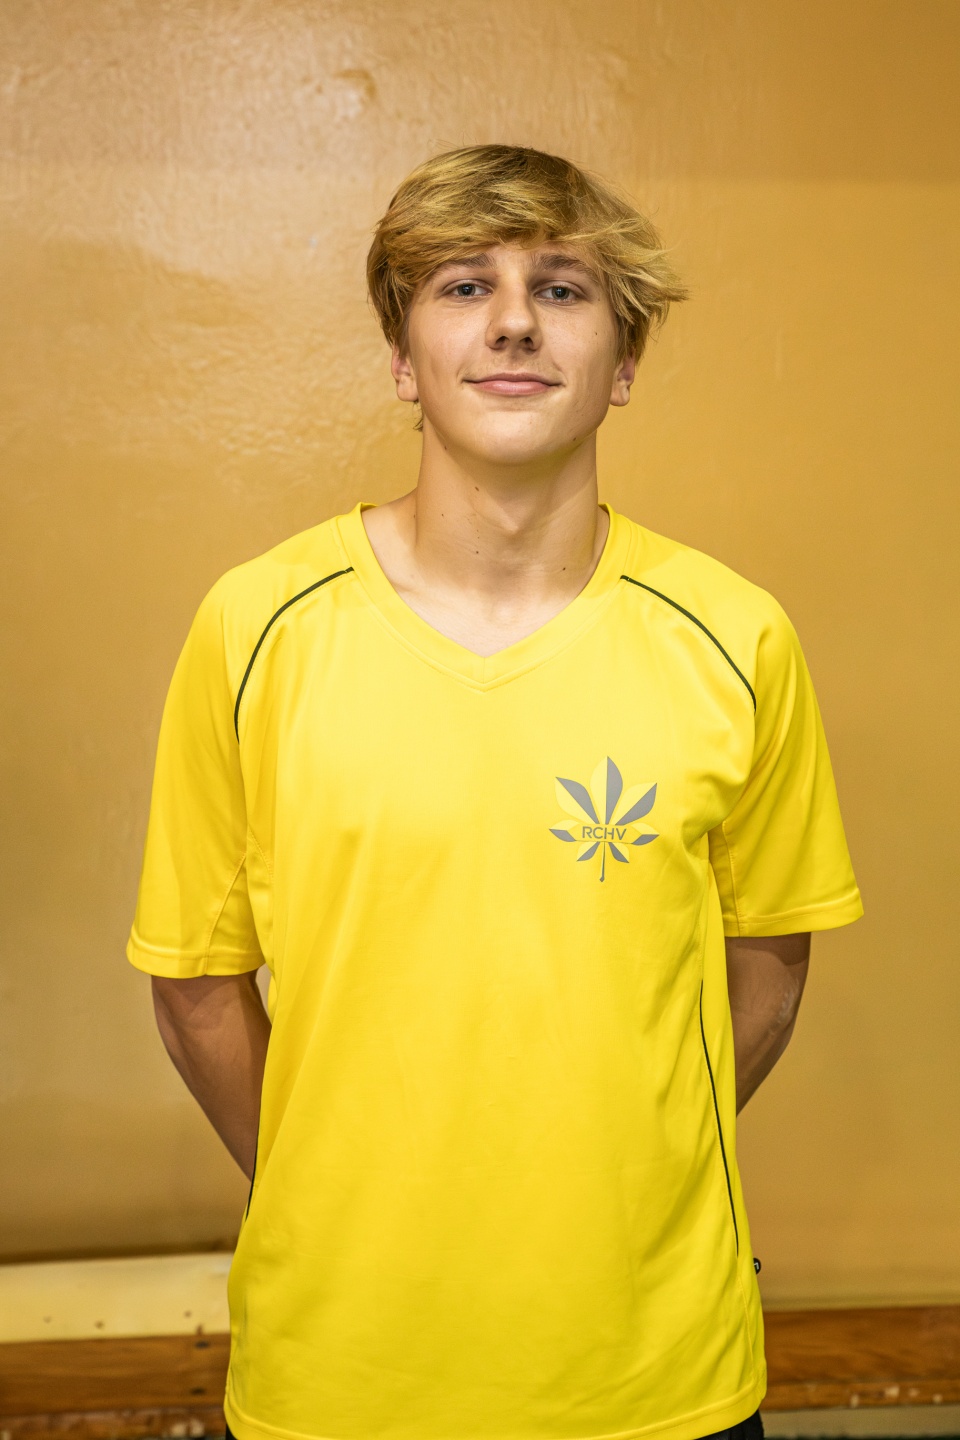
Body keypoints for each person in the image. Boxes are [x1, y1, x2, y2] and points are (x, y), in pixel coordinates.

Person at [128, 145, 863, 1440]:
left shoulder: (737, 638)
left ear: (623, 364)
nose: (515, 320)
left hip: (654, 1379)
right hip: (338, 1377)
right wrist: (329, 1185)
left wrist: (623, 1171)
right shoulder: (255, 629)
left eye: (563, 289)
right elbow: (196, 986)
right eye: (465, 285)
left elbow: (769, 968)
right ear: (402, 358)